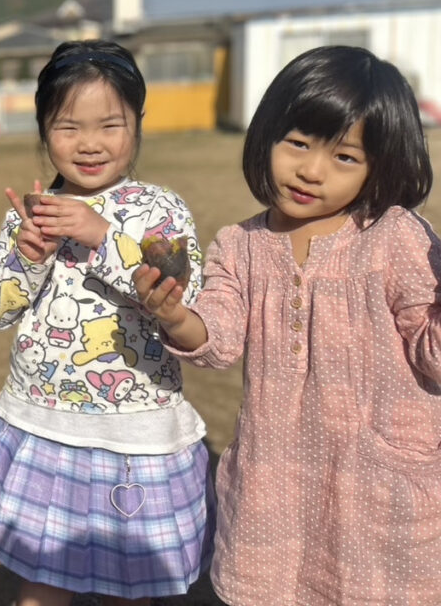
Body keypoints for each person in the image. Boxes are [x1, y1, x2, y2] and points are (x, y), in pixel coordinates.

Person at [133, 45, 440, 605]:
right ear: (267, 134)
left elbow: (432, 355)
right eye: (297, 142)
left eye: (345, 157)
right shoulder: (242, 245)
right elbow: (218, 338)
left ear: (379, 165)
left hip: (381, 489)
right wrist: (176, 314)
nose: (311, 170)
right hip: (274, 482)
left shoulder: (396, 238)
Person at [0, 40, 214, 606]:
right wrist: (28, 256)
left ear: (138, 125)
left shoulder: (159, 208)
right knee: (42, 583)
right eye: (69, 126)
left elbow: (182, 299)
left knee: (132, 589)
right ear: (43, 128)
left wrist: (102, 235)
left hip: (134, 436)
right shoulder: (31, 211)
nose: (90, 144)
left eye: (110, 124)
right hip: (45, 428)